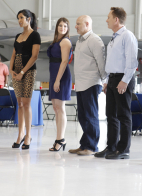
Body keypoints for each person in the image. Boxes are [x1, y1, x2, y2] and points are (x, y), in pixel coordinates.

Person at [94, 7, 138, 160]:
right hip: (112, 79)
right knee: (111, 115)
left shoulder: (127, 36)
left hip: (122, 78)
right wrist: (107, 81)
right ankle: (111, 147)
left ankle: (123, 149)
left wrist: (124, 81)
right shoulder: (115, 37)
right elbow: (111, 62)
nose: (106, 20)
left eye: (108, 17)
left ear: (116, 19)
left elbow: (132, 62)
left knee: (123, 115)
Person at [68, 15, 107, 156]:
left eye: (78, 24)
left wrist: (105, 81)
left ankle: (91, 147)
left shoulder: (94, 40)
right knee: (83, 117)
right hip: (81, 84)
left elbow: (101, 62)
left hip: (91, 83)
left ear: (87, 24)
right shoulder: (80, 41)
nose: (75, 26)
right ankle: (84, 144)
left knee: (90, 116)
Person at [10, 9, 41, 150]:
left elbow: (34, 56)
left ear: (29, 19)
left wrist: (22, 71)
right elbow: (13, 55)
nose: (19, 20)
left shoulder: (35, 35)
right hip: (16, 72)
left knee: (26, 103)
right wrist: (11, 69)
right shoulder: (18, 36)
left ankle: (28, 135)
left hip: (28, 71)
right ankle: (20, 134)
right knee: (20, 103)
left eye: (22, 17)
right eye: (18, 18)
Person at [47, 17, 72, 152]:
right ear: (57, 27)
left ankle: (60, 139)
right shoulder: (56, 41)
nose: (62, 28)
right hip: (54, 75)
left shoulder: (65, 41)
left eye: (65, 26)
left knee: (60, 108)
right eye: (60, 25)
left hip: (61, 76)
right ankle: (59, 138)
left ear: (68, 29)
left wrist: (57, 80)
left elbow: (64, 62)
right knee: (56, 108)